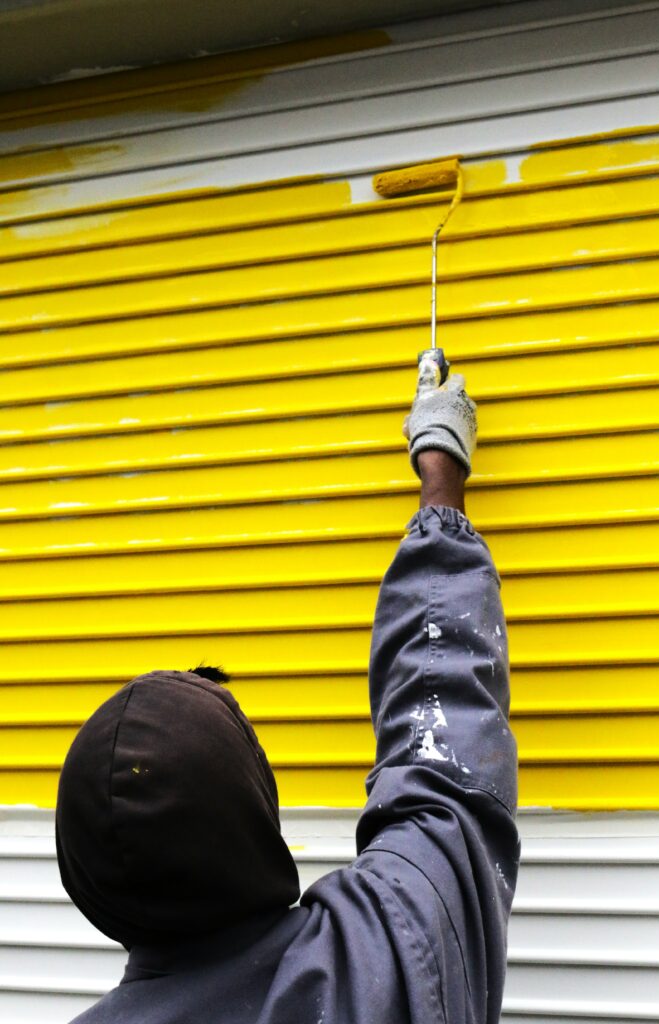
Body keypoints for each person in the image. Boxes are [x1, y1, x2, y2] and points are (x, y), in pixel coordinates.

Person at [56, 357, 519, 1024]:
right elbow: (443, 771)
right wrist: (439, 489)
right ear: (254, 813)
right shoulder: (381, 957)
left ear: (86, 886)